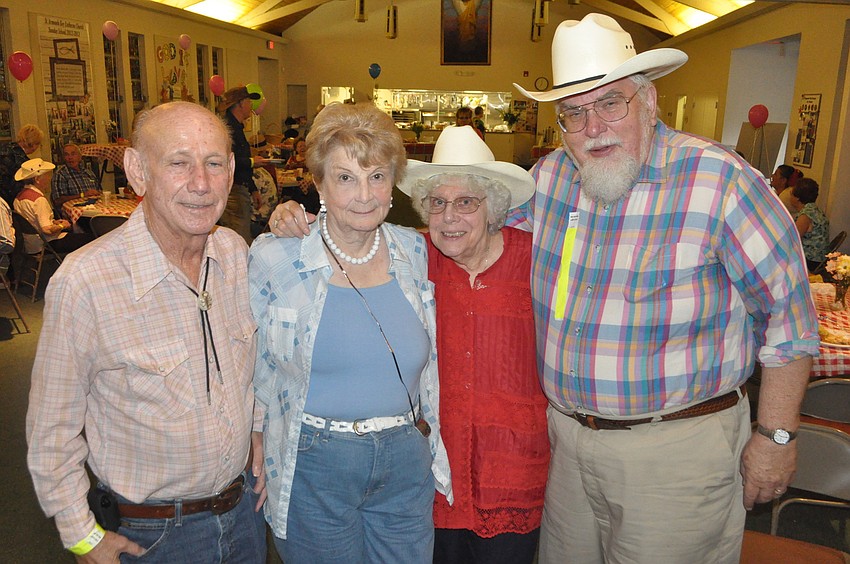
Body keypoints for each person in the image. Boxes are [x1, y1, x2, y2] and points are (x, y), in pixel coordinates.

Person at [509, 13, 818, 563]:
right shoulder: (550, 179)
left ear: (649, 102)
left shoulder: (720, 183)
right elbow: (464, 227)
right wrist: (315, 229)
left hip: (677, 452)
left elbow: (789, 325)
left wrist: (775, 438)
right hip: (566, 444)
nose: (592, 125)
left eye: (610, 103)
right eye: (574, 112)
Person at [26, 101, 267, 563]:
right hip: (152, 536)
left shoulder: (235, 254)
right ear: (137, 171)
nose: (200, 183)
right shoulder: (86, 281)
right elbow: (50, 430)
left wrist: (255, 430)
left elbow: (248, 369)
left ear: (231, 169)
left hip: (245, 518)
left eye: (214, 163)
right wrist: (82, 535)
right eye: (178, 162)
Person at [249, 102, 451, 564]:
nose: (364, 194)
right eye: (345, 178)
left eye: (377, 176)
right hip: (317, 460)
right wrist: (256, 433)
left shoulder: (413, 250)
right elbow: (253, 358)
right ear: (317, 182)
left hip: (405, 455)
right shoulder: (277, 257)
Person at [398, 125, 549, 564]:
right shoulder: (411, 256)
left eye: (465, 202)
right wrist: (293, 221)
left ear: (493, 207)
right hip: (436, 471)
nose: (449, 217)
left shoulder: (536, 258)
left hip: (515, 471)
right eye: (437, 203)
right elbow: (345, 248)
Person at [218, 85, 268, 244]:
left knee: (243, 237)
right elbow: (226, 161)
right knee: (239, 241)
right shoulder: (227, 128)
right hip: (233, 191)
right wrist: (253, 161)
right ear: (239, 104)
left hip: (241, 188)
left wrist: (253, 189)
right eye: (248, 101)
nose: (251, 106)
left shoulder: (237, 127)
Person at [13, 159, 92, 254]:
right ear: (37, 179)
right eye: (47, 175)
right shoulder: (38, 200)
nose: (49, 178)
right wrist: (62, 225)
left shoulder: (18, 197)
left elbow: (33, 221)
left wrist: (53, 222)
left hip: (30, 244)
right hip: (46, 244)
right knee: (91, 239)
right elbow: (47, 230)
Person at [788, 177, 830, 271]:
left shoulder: (806, 215)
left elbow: (793, 239)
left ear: (797, 198)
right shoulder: (814, 209)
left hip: (811, 261)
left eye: (791, 193)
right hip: (820, 259)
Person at [0, 124, 44, 207]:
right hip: (6, 200)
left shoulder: (4, 147)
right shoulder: (24, 163)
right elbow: (18, 188)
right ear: (34, 144)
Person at [51, 144, 102, 209]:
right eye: (66, 155)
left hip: (94, 207)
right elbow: (58, 200)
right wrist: (83, 195)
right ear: (63, 158)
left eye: (73, 154)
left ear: (80, 157)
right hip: (74, 211)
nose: (70, 157)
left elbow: (100, 191)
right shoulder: (60, 174)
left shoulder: (88, 172)